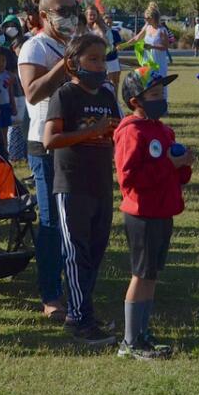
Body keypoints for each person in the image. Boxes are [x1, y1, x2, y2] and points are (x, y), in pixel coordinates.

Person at [43, 33, 120, 345]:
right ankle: (81, 323)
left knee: (94, 252)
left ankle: (80, 311)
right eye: (93, 59)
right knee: (76, 253)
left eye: (103, 59)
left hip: (101, 182)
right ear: (73, 64)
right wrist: (91, 130)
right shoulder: (65, 95)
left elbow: (116, 132)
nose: (100, 66)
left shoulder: (106, 95)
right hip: (72, 184)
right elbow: (50, 140)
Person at [114, 66, 194, 359]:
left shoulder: (162, 130)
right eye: (155, 94)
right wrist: (168, 166)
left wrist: (183, 163)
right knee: (140, 274)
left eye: (163, 93)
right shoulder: (131, 132)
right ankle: (130, 341)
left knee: (151, 275)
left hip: (163, 211)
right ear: (136, 100)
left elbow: (176, 176)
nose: (162, 99)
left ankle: (143, 334)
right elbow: (129, 178)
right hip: (142, 213)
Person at [18, 0, 78, 321]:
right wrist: (66, 65)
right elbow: (33, 93)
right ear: (44, 15)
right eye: (62, 10)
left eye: (73, 9)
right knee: (52, 221)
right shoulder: (34, 47)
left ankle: (76, 285)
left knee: (77, 219)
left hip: (79, 139)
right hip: (46, 144)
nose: (70, 16)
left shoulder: (77, 41)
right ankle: (51, 294)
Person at [85, 5, 121, 89]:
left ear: (97, 15)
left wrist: (100, 31)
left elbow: (108, 45)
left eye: (94, 15)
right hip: (88, 60)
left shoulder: (102, 27)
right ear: (86, 15)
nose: (92, 17)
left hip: (105, 58)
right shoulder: (83, 28)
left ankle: (113, 100)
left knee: (109, 81)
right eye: (90, 15)